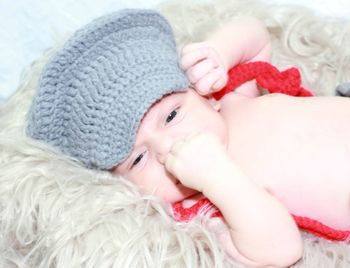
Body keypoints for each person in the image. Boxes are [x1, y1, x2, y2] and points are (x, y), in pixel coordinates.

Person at [26, 8, 350, 268]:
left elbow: (255, 34)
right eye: (138, 159)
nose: (167, 147)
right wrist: (217, 175)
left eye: (170, 116)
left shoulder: (231, 99)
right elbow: (282, 250)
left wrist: (216, 54)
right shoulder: (211, 206)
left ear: (202, 95)